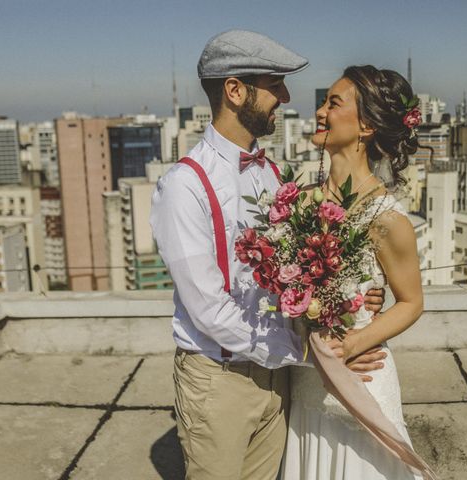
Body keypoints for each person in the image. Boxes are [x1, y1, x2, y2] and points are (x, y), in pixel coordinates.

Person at [149, 31, 386, 480]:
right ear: (235, 91)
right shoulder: (184, 185)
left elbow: (297, 273)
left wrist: (351, 299)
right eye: (274, 83)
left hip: (277, 376)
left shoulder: (274, 175)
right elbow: (208, 308)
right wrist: (310, 353)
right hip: (220, 382)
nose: (286, 96)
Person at [282, 65, 426, 479]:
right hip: (307, 386)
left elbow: (412, 302)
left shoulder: (386, 217)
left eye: (333, 103)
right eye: (323, 102)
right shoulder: (298, 205)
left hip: (362, 383)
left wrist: (353, 343)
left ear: (365, 125)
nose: (320, 112)